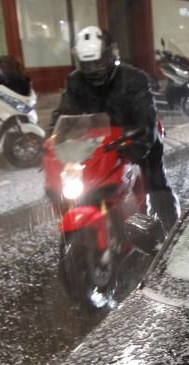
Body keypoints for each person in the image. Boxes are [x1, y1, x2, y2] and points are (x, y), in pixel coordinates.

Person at [50, 26, 180, 231]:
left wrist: (141, 141)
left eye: (98, 62)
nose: (93, 68)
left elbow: (146, 115)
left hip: (136, 136)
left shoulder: (134, 78)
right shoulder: (75, 81)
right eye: (87, 63)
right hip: (99, 143)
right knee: (82, 186)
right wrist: (51, 141)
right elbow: (63, 113)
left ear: (110, 55)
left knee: (156, 184)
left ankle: (173, 235)